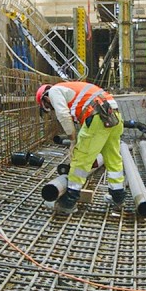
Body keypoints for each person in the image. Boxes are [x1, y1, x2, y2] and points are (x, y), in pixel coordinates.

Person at [37, 81, 126, 214]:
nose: (52, 108)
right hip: (114, 115)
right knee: (113, 158)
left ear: (45, 98)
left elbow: (63, 115)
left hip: (98, 116)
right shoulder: (70, 88)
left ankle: (69, 202)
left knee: (81, 159)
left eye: (49, 106)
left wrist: (73, 140)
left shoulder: (54, 91)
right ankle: (118, 197)